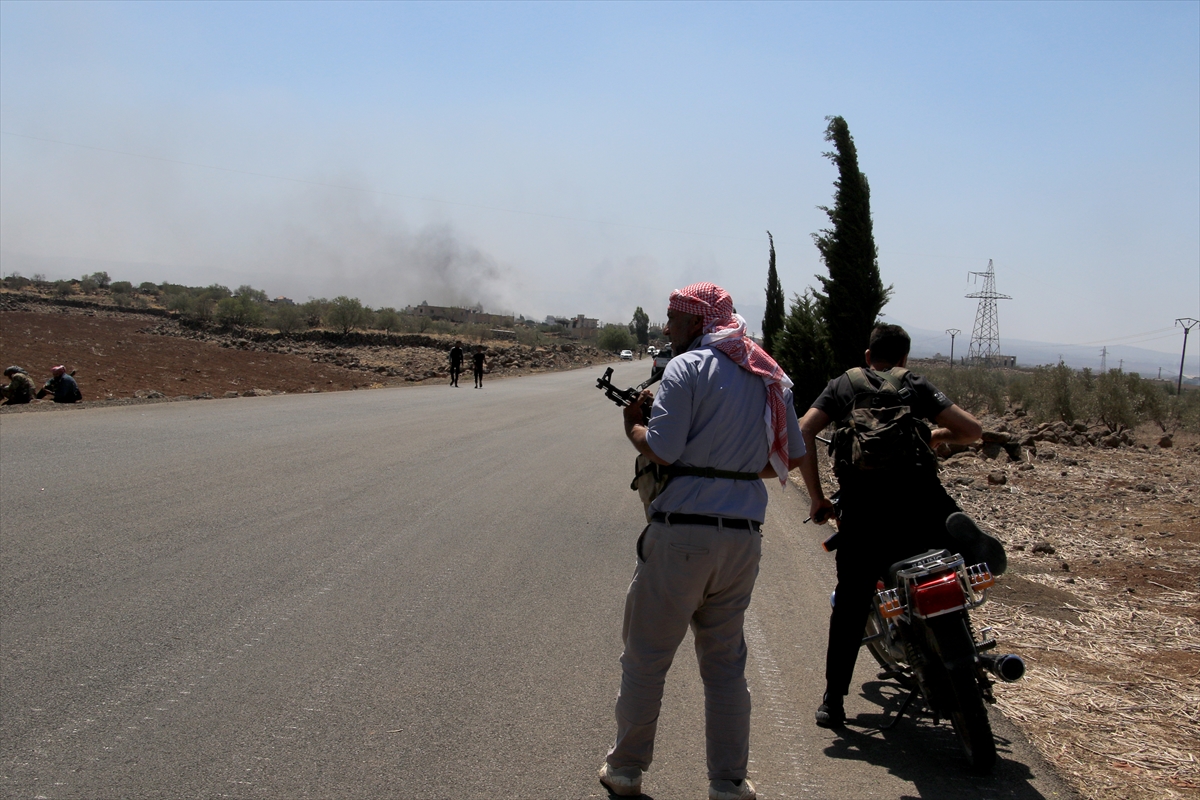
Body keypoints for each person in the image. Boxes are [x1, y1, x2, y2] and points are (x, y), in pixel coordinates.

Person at [599, 282, 804, 800]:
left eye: (673, 319)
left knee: (646, 659)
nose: (667, 329)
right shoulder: (769, 373)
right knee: (725, 667)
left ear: (697, 321)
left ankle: (625, 771)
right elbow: (789, 456)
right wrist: (732, 473)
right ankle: (728, 783)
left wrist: (632, 426)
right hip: (742, 543)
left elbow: (663, 449)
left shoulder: (687, 368)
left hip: (682, 536)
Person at [796, 324, 982, 729]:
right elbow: (973, 431)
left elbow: (804, 430)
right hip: (920, 509)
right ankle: (969, 603)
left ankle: (834, 700)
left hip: (865, 515)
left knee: (850, 605)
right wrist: (931, 437)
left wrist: (817, 496)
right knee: (949, 566)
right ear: (903, 359)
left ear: (868, 356)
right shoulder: (913, 383)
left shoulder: (843, 385)